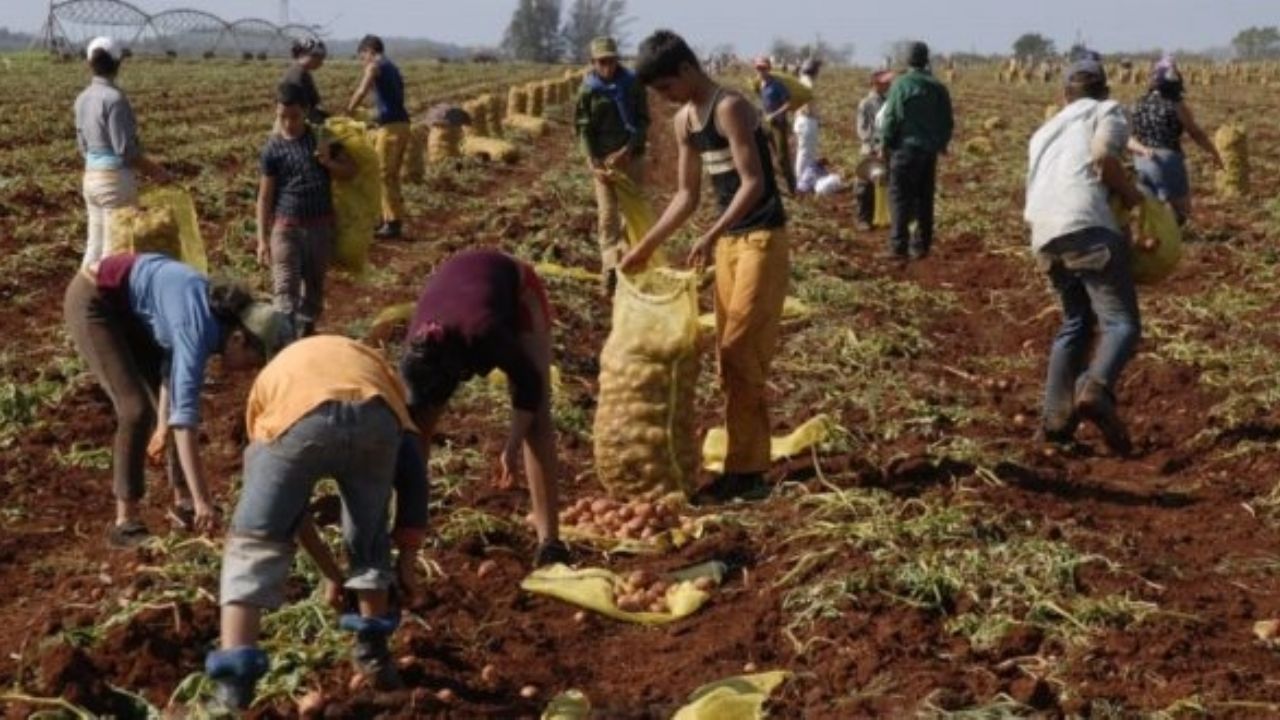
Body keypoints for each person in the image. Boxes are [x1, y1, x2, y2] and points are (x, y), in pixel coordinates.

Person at [203, 334, 428, 711]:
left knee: (253, 545)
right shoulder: (378, 373)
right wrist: (405, 559)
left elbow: (290, 510)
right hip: (376, 415)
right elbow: (414, 475)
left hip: (297, 414)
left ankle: (233, 691)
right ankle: (374, 657)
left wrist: (326, 568)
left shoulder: (269, 392)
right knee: (370, 538)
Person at [620, 30, 789, 503]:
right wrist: (645, 246)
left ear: (687, 70)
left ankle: (749, 471)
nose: (665, 98)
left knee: (740, 351)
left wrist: (712, 232)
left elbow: (753, 182)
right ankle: (743, 462)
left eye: (666, 88)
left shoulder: (730, 107)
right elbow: (686, 196)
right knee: (726, 359)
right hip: (729, 246)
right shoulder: (684, 122)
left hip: (760, 239)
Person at [62, 253, 290, 547]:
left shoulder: (215, 319)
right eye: (255, 360)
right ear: (238, 339)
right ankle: (125, 523)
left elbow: (171, 370)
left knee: (166, 407)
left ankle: (183, 502)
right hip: (95, 299)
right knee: (135, 409)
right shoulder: (197, 329)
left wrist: (163, 424)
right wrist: (205, 499)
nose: (252, 370)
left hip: (131, 309)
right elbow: (183, 420)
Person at [399, 249, 567, 565]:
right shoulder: (416, 351)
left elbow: (528, 383)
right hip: (460, 289)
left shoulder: (484, 333)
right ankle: (411, 526)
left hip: (518, 291)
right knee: (416, 429)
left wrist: (511, 447)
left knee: (538, 419)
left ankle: (550, 542)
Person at [1024, 56, 1145, 456]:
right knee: (1122, 323)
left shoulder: (1044, 132)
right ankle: (1095, 388)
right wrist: (1133, 197)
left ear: (1064, 96)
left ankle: (1055, 425)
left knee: (1076, 321)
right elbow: (1103, 157)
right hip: (1086, 226)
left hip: (1044, 233)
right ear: (1105, 91)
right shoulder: (1106, 110)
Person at [257, 84, 357, 339]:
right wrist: (261, 239)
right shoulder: (273, 148)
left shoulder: (322, 139)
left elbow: (351, 170)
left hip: (319, 227)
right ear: (276, 114)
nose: (288, 123)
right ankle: (283, 343)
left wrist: (328, 162)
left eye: (294, 116)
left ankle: (305, 337)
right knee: (285, 289)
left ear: (305, 113)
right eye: (282, 117)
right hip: (285, 227)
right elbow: (265, 196)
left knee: (313, 290)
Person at [73, 36, 169, 269]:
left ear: (89, 64)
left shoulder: (82, 99)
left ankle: (82, 300)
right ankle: (105, 303)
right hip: (114, 181)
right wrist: (157, 171)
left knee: (94, 247)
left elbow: (83, 146)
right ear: (118, 63)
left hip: (91, 178)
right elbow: (125, 150)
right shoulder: (115, 99)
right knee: (114, 251)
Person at [574, 36, 651, 294]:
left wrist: (627, 150)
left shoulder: (632, 84)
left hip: (631, 158)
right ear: (593, 62)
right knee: (607, 218)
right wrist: (592, 163)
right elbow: (583, 129)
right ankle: (609, 269)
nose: (607, 66)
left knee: (631, 216)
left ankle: (628, 266)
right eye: (602, 62)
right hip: (603, 164)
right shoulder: (588, 89)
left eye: (611, 60)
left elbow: (643, 121)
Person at [1127, 55, 1224, 225]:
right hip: (1168, 160)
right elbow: (1196, 133)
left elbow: (1128, 136)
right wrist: (1214, 152)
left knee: (1150, 209)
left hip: (1141, 161)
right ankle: (1174, 242)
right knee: (1182, 211)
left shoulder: (1137, 104)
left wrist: (1141, 150)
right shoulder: (1176, 105)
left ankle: (1156, 243)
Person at [879, 41, 953, 260]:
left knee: (900, 197)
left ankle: (898, 246)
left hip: (904, 150)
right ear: (926, 60)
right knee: (924, 197)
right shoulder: (938, 87)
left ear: (908, 60)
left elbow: (891, 117)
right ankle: (921, 246)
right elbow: (947, 121)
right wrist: (941, 144)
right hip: (928, 152)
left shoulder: (900, 85)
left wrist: (885, 143)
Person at [347, 35, 410, 240]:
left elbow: (362, 90)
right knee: (391, 175)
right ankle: (390, 218)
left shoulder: (375, 65)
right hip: (402, 125)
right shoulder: (392, 66)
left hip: (391, 128)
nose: (362, 61)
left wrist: (348, 110)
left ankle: (392, 224)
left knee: (383, 174)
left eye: (362, 56)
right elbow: (395, 97)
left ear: (369, 51)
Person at [854, 70, 894, 230]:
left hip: (886, 148)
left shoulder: (890, 101)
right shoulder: (866, 103)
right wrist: (874, 147)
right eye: (885, 82)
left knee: (887, 183)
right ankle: (863, 219)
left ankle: (885, 217)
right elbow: (862, 129)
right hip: (870, 149)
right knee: (864, 186)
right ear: (875, 83)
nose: (889, 84)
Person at [753, 57, 798, 195]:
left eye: (763, 68)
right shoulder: (759, 84)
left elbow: (788, 103)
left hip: (778, 124)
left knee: (782, 157)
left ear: (769, 68)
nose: (761, 71)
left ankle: (792, 187)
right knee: (762, 154)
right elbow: (762, 102)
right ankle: (772, 186)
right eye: (758, 68)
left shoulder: (777, 85)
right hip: (765, 124)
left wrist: (774, 114)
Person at [279, 38, 329, 125]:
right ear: (303, 55)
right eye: (317, 57)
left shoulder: (303, 73)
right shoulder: (295, 76)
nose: (320, 62)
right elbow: (292, 109)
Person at [793, 58, 822, 188]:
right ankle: (801, 181)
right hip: (807, 120)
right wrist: (813, 115)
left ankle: (804, 179)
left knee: (805, 152)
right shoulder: (807, 83)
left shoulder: (801, 81)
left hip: (802, 120)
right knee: (805, 153)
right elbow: (806, 104)